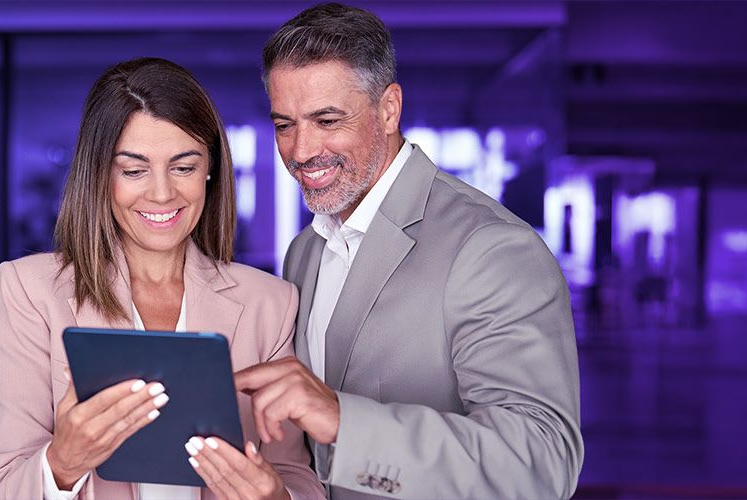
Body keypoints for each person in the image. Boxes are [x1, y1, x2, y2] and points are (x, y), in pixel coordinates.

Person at [232, 4, 584, 498]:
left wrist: (343, 421)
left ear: (389, 109)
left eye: (327, 120)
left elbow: (542, 463)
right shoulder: (305, 252)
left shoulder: (490, 248)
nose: (301, 150)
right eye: (284, 125)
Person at [0, 57, 324, 500]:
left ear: (210, 170)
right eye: (133, 170)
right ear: (100, 175)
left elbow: (298, 479)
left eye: (183, 167)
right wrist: (61, 464)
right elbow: (5, 487)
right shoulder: (29, 290)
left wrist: (274, 495)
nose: (162, 194)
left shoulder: (271, 303)